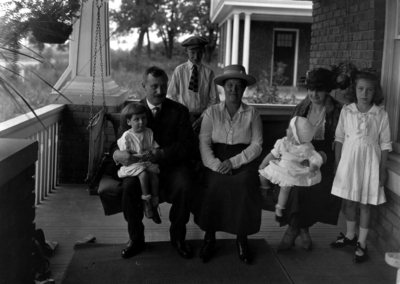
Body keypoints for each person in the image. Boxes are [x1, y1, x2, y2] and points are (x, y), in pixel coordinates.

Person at [109, 66, 198, 259]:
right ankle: (136, 239)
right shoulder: (132, 111)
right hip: (141, 168)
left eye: (163, 86)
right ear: (144, 86)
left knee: (185, 185)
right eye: (154, 86)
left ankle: (178, 237)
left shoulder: (179, 111)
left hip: (171, 166)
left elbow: (188, 145)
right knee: (128, 186)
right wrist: (118, 155)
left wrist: (162, 152)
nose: (160, 91)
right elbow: (115, 144)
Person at [194, 64, 263, 264]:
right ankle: (209, 238)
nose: (234, 89)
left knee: (243, 185)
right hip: (215, 159)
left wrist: (233, 162)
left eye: (238, 86)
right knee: (213, 184)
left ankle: (241, 238)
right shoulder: (212, 113)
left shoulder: (253, 114)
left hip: (243, 160)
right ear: (224, 88)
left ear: (244, 89)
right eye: (230, 85)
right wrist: (216, 165)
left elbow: (257, 145)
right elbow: (204, 142)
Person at [276, 68, 343, 250]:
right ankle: (303, 229)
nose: (314, 94)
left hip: (324, 162)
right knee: (293, 185)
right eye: (311, 89)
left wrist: (322, 158)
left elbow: (340, 142)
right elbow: (291, 137)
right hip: (298, 158)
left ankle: (292, 230)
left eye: (319, 89)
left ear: (327, 90)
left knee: (303, 189)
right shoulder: (301, 107)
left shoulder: (337, 110)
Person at [329, 70, 391, 263]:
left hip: (370, 165)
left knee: (364, 204)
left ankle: (362, 243)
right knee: (349, 202)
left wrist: (382, 170)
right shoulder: (348, 111)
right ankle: (350, 236)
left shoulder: (380, 114)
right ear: (354, 90)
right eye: (361, 89)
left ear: (375, 92)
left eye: (369, 90)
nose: (364, 93)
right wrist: (338, 163)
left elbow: (386, 144)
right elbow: (339, 138)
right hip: (349, 163)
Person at [259, 116, 323, 222]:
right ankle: (265, 189)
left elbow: (315, 157)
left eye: (289, 129)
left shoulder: (306, 147)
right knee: (262, 174)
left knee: (286, 188)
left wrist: (314, 166)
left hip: (293, 170)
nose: (286, 130)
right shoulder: (283, 142)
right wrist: (263, 163)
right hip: (280, 166)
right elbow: (273, 154)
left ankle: (279, 207)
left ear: (295, 136)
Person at [117, 103, 161, 224]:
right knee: (143, 175)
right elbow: (126, 155)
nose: (141, 122)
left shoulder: (148, 132)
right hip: (133, 164)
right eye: (136, 119)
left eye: (144, 118)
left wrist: (153, 152)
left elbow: (154, 146)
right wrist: (139, 156)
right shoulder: (127, 136)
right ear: (129, 121)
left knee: (154, 178)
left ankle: (154, 205)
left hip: (146, 162)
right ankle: (146, 202)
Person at [167, 35, 219, 132]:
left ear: (203, 51)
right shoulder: (179, 71)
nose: (196, 56)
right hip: (182, 117)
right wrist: (185, 114)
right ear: (186, 51)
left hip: (204, 118)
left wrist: (202, 118)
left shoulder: (208, 73)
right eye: (192, 52)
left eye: (199, 52)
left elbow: (214, 100)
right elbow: (171, 96)